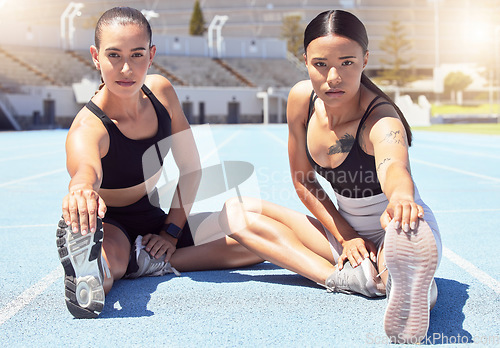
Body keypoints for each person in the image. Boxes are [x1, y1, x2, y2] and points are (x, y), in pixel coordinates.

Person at [218, 10, 442, 344]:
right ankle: (348, 278)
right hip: (340, 231)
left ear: (365, 60)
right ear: (304, 60)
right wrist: (347, 236)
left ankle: (402, 280)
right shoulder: (300, 100)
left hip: (393, 229)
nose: (333, 77)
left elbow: (394, 167)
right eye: (321, 64)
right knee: (233, 212)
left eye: (347, 63)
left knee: (401, 250)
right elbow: (303, 180)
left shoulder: (381, 119)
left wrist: (401, 199)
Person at [56, 6, 263, 319]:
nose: (126, 68)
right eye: (114, 55)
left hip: (155, 219)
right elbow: (86, 171)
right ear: (96, 57)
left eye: (137, 55)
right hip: (112, 225)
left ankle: (144, 263)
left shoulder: (162, 93)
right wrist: (82, 188)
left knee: (253, 240)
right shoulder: (89, 127)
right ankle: (94, 274)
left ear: (151, 55)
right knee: (110, 263)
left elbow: (191, 169)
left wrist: (170, 233)